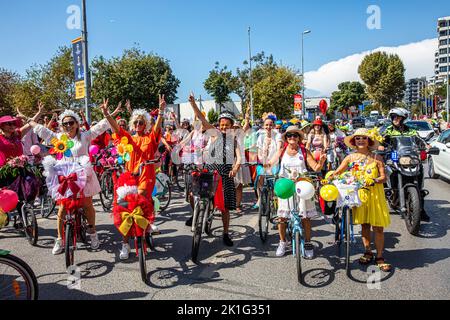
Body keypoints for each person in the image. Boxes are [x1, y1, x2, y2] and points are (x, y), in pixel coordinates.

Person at [27, 100, 115, 254]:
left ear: (77, 123)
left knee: (87, 204)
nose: (68, 125)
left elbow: (100, 127)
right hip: (65, 177)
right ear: (62, 125)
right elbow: (44, 132)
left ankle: (93, 234)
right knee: (62, 208)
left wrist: (108, 114)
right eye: (65, 123)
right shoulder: (59, 138)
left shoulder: (85, 136)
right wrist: (31, 121)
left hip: (83, 176)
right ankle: (60, 239)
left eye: (71, 122)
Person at [329, 128, 392, 272]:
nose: (361, 140)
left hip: (375, 196)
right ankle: (368, 252)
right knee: (364, 225)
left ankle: (380, 256)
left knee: (378, 228)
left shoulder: (377, 158)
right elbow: (338, 172)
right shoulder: (350, 158)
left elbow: (384, 177)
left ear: (369, 140)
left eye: (364, 138)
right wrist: (328, 178)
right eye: (358, 138)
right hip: (359, 196)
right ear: (354, 141)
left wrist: (374, 180)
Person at [114, 96, 166, 260]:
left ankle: (147, 224)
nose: (138, 125)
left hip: (146, 175)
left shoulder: (150, 137)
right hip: (130, 176)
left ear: (146, 124)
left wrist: (161, 111)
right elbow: (116, 129)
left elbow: (157, 128)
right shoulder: (128, 138)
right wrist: (107, 114)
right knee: (125, 209)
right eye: (135, 123)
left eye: (141, 123)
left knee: (141, 199)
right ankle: (125, 244)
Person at [188, 93, 241, 247]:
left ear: (231, 126)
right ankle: (199, 215)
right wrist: (192, 103)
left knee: (225, 208)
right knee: (199, 195)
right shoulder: (214, 134)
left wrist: (236, 167)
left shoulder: (234, 140)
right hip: (210, 173)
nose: (224, 127)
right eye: (222, 124)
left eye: (227, 125)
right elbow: (201, 117)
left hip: (225, 174)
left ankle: (225, 234)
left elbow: (238, 157)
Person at [267, 126, 326, 258]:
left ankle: (308, 243)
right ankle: (282, 242)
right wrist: (264, 165)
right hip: (285, 185)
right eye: (289, 136)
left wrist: (321, 162)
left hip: (302, 185)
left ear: (299, 138)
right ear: (286, 138)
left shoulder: (304, 151)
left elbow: (315, 167)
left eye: (295, 135)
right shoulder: (282, 151)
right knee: (282, 217)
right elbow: (270, 163)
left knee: (305, 217)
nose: (292, 138)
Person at [381, 107, 430, 222]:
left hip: (409, 156)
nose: (396, 119)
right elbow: (381, 140)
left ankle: (421, 209)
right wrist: (381, 146)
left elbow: (418, 140)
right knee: (386, 167)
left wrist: (426, 146)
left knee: (420, 169)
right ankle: (389, 190)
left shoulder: (411, 130)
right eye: (394, 117)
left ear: (403, 118)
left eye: (398, 117)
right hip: (394, 155)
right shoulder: (388, 130)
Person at [254, 114, 282, 210]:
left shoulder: (277, 135)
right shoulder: (261, 136)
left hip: (274, 163)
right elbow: (259, 152)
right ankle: (260, 198)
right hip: (263, 163)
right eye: (266, 125)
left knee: (274, 180)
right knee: (260, 176)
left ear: (273, 126)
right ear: (263, 126)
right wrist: (263, 161)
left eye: (270, 125)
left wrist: (271, 162)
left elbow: (279, 150)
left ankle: (275, 199)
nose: (268, 127)